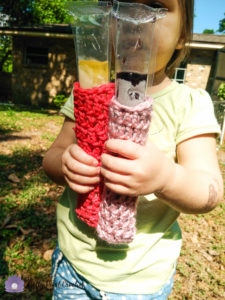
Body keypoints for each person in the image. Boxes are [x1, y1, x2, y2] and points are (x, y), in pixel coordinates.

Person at [43, 0, 224, 299]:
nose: (133, 20)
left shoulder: (189, 104)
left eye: (155, 6)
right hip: (73, 264)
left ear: (182, 35)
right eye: (118, 6)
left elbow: (210, 191)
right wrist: (65, 163)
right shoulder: (89, 94)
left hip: (138, 281)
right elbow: (52, 156)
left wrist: (168, 178)